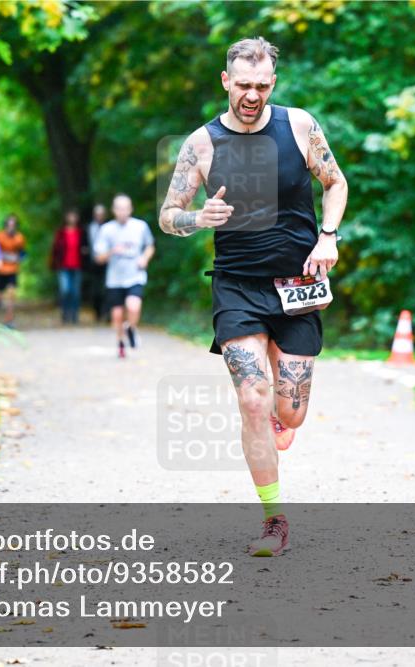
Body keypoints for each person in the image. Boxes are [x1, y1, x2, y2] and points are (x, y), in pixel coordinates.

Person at [157, 37, 347, 556]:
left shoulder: (299, 126)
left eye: (262, 86)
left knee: (291, 412)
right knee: (252, 397)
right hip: (237, 285)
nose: (252, 95)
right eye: (243, 84)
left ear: (273, 84)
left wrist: (328, 237)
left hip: (297, 284)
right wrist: (199, 217)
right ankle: (274, 520)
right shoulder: (202, 144)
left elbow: (335, 183)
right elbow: (168, 216)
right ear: (226, 81)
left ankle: (279, 420)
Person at [93, 194, 155, 358]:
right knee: (117, 315)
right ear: (114, 210)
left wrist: (144, 258)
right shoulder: (106, 229)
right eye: (119, 208)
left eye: (125, 208)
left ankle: (131, 328)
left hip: (135, 275)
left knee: (133, 306)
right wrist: (112, 251)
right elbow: (98, 257)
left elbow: (150, 246)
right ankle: (120, 342)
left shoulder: (140, 226)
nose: (122, 212)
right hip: (115, 279)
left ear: (131, 209)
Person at [50, 209, 84, 324]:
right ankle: (65, 313)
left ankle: (74, 315)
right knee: (65, 290)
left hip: (77, 265)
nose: (72, 219)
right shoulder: (61, 233)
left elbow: (85, 247)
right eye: (70, 216)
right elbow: (55, 249)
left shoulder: (80, 232)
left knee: (75, 292)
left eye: (74, 216)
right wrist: (54, 263)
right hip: (63, 266)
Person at [0, 214, 26, 327]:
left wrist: (19, 258)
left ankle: (9, 320)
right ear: (5, 225)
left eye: (13, 225)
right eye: (9, 225)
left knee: (11, 295)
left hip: (12, 270)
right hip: (0, 270)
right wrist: (2, 257)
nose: (11, 227)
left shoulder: (19, 238)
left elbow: (23, 253)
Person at [85, 204, 109, 323]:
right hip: (93, 265)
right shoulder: (89, 227)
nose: (99, 216)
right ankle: (98, 312)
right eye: (97, 214)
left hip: (108, 264)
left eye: (101, 214)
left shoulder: (109, 227)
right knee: (95, 290)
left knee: (107, 289)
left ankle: (107, 313)